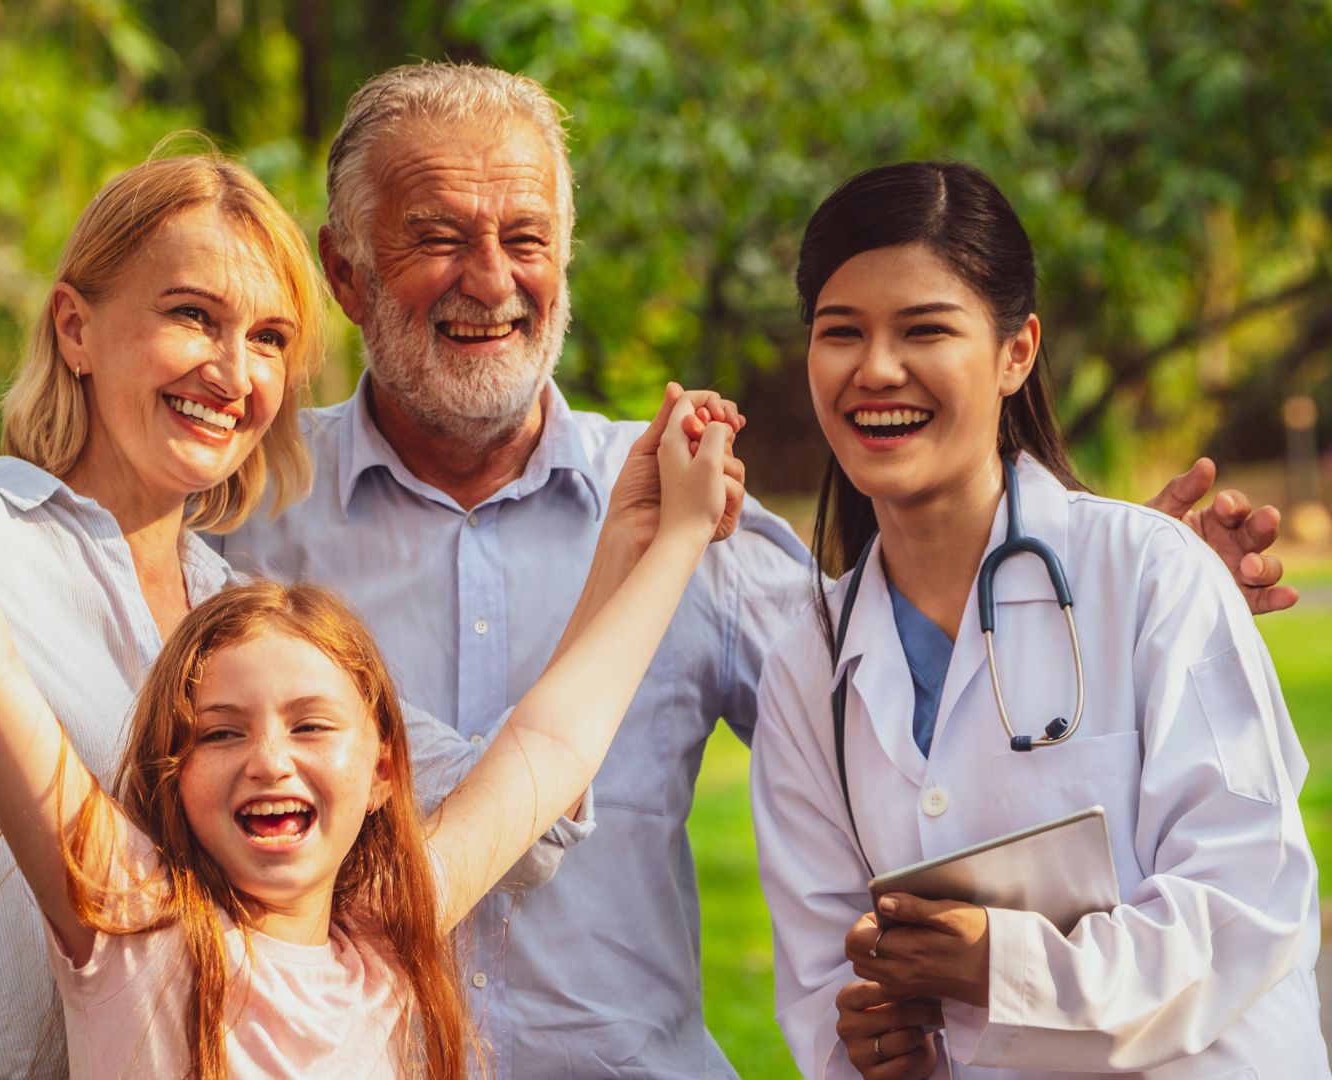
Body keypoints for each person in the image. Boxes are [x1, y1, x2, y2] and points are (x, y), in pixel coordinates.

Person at [215, 62, 1298, 1078]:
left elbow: (929, 721)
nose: (491, 278)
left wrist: (1114, 586)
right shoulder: (246, 532)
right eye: (437, 235)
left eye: (528, 236)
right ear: (345, 273)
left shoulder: (691, 508)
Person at [0, 154, 598, 1077]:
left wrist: (645, 530)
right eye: (194, 315)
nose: (234, 373)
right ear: (76, 328)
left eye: (269, 339)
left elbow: (516, 801)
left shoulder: (247, 627)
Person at [0, 312, 742, 1075]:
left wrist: (674, 539)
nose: (269, 758)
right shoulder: (133, 928)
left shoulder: (391, 937)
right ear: (172, 775)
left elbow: (554, 746)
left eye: (312, 724)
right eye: (220, 734)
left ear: (381, 770)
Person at [748, 160, 1325, 1078]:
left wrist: (1002, 965)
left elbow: (1245, 902)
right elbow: (825, 979)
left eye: (926, 328)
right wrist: (868, 1044)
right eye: (840, 332)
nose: (877, 368)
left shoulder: (1150, 574)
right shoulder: (806, 665)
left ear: (1017, 353)